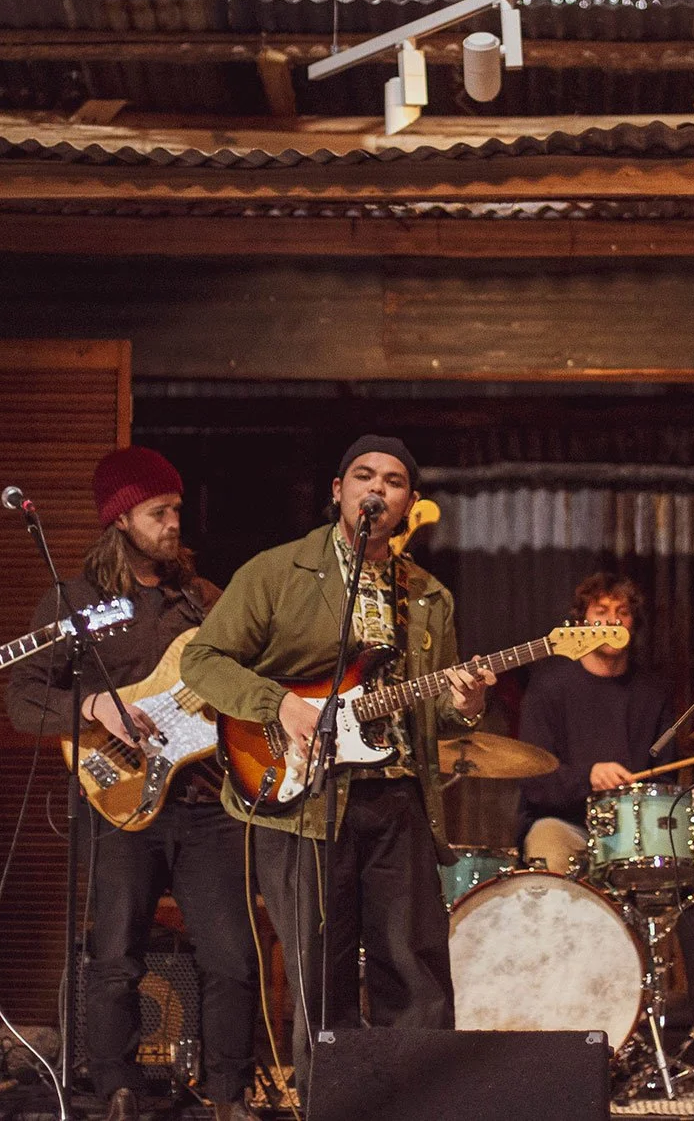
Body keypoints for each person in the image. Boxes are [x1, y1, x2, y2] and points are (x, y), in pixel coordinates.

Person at [179, 436, 492, 1097]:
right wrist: (279, 703)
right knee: (320, 980)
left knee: (416, 971)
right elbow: (203, 662)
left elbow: (437, 709)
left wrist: (466, 704)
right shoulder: (278, 572)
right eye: (363, 475)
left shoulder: (430, 595)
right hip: (303, 802)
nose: (377, 488)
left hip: (399, 799)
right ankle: (334, 1108)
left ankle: (420, 1110)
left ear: (409, 503)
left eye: (394, 480)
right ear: (337, 489)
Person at [5, 446, 259, 1121]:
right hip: (114, 797)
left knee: (232, 954)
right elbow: (23, 695)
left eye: (176, 509)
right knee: (114, 951)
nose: (175, 523)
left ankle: (229, 1094)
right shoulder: (74, 602)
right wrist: (91, 707)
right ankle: (114, 1090)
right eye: (159, 511)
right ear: (121, 520)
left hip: (206, 803)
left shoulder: (203, 601)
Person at [516, 572, 672, 873]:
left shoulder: (653, 694)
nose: (612, 622)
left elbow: (664, 779)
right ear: (581, 623)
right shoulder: (548, 687)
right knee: (550, 849)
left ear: (633, 623)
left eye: (622, 613)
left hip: (634, 828)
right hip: (563, 824)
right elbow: (534, 780)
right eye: (601, 612)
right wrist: (589, 777)